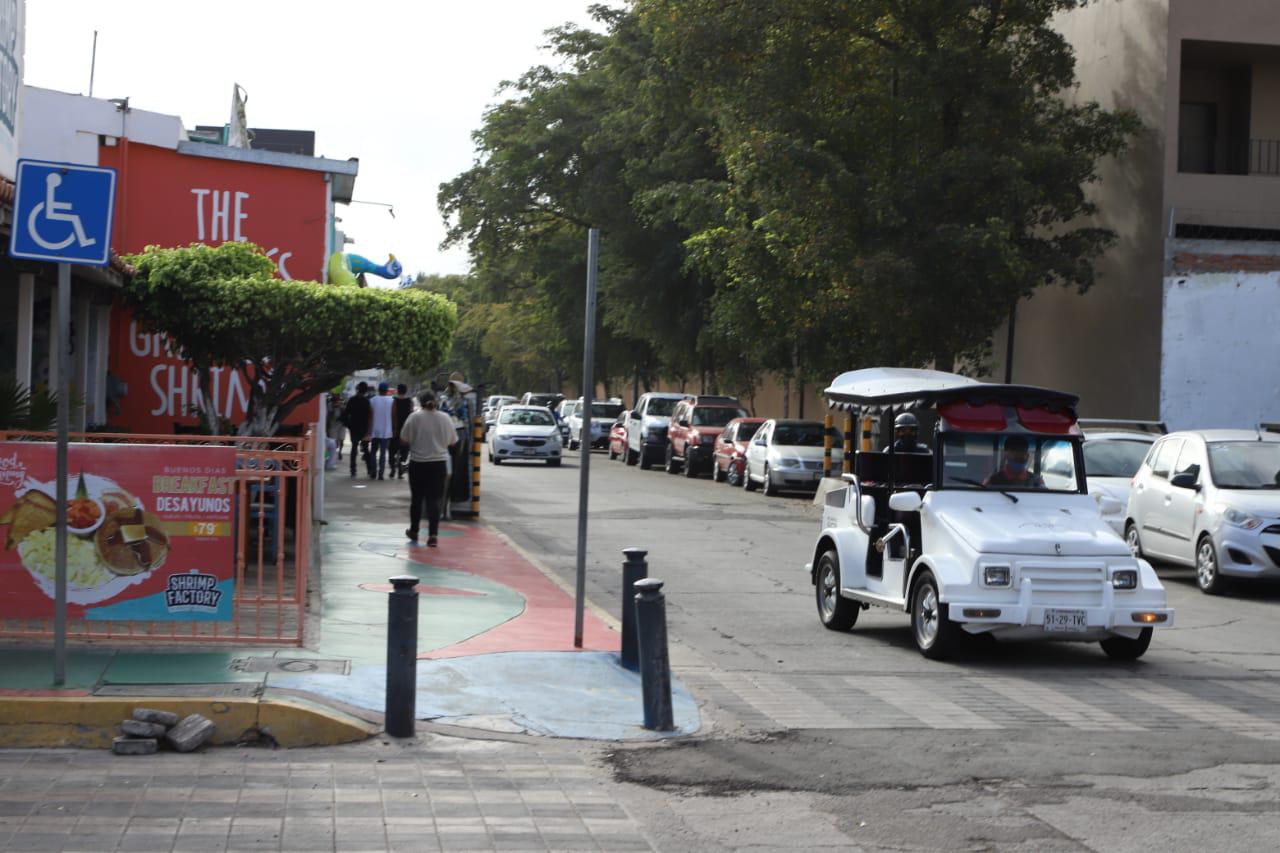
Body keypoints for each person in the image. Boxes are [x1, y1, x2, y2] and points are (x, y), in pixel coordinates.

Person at [401, 389, 458, 546]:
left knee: (417, 499)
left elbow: (404, 439)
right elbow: (453, 442)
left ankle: (414, 531)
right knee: (434, 500)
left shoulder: (414, 418)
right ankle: (433, 535)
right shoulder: (445, 418)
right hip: (439, 464)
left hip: (418, 464)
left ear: (420, 401)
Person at [343, 382, 374, 478]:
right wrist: (369, 429)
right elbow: (369, 417)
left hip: (354, 428)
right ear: (365, 391)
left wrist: (348, 425)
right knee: (365, 449)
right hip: (363, 428)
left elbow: (345, 414)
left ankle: (353, 470)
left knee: (354, 448)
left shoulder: (352, 400)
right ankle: (369, 469)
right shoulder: (366, 401)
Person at [369, 381, 395, 480]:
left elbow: (370, 417)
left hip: (375, 431)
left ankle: (373, 473)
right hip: (386, 431)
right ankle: (381, 474)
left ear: (379, 390)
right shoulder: (392, 401)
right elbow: (393, 416)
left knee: (373, 452)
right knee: (383, 454)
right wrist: (394, 428)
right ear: (387, 390)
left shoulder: (372, 400)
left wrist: (369, 430)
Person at [390, 383, 414, 480]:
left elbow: (393, 415)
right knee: (404, 451)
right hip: (406, 429)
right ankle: (400, 470)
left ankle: (392, 469)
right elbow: (411, 415)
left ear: (397, 390)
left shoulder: (394, 401)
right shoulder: (410, 401)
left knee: (392, 451)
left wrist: (394, 428)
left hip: (396, 429)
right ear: (406, 391)